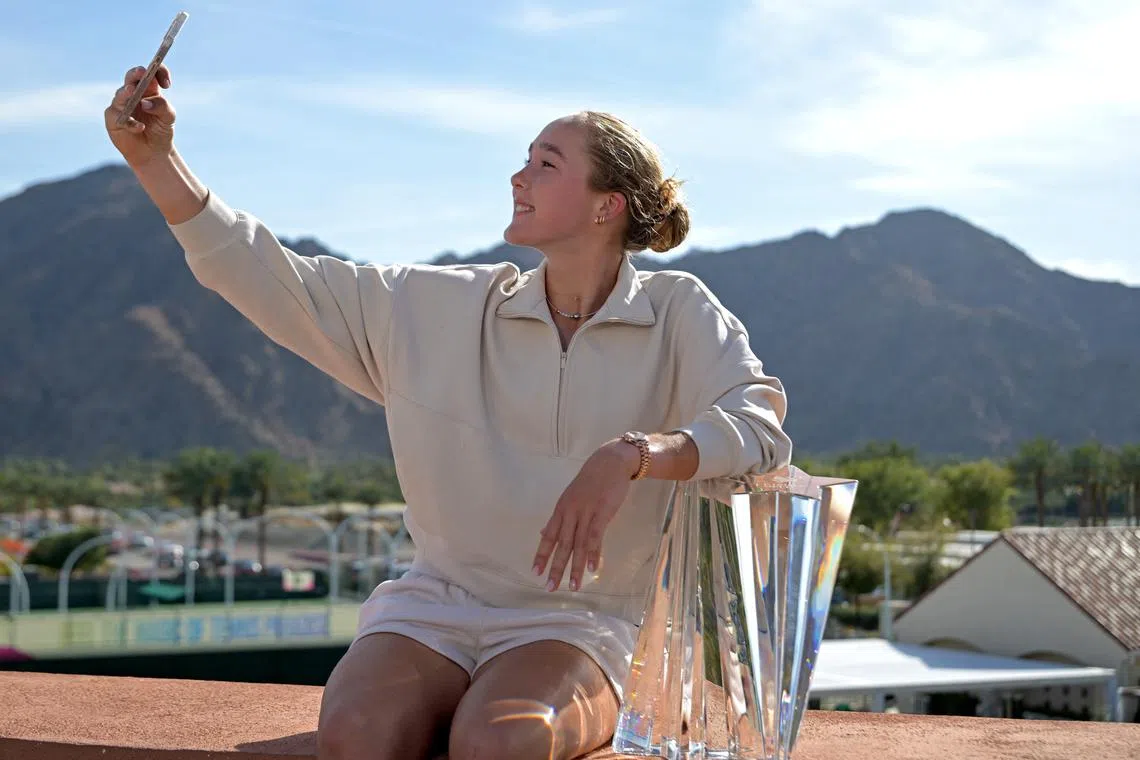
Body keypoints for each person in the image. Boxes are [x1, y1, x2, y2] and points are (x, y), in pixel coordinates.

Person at [105, 64, 792, 760]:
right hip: (435, 605)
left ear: (605, 206)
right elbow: (275, 279)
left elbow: (759, 426)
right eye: (524, 160)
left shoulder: (678, 313)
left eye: (545, 164)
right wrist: (157, 162)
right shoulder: (440, 307)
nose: (518, 177)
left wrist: (633, 455)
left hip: (582, 621)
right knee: (354, 735)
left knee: (502, 739)